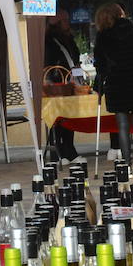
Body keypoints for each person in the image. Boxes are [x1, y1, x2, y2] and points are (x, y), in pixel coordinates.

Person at [92, 1, 133, 164]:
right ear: (120, 14)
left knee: (122, 126)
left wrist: (100, 83)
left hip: (117, 85)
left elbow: (100, 64)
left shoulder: (102, 36)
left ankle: (127, 165)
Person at [44, 11, 82, 161]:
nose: (68, 23)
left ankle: (67, 150)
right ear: (57, 24)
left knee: (68, 118)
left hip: (68, 83)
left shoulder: (68, 38)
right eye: (65, 20)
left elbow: (75, 56)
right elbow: (48, 62)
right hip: (57, 85)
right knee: (58, 120)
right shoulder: (49, 40)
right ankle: (60, 153)